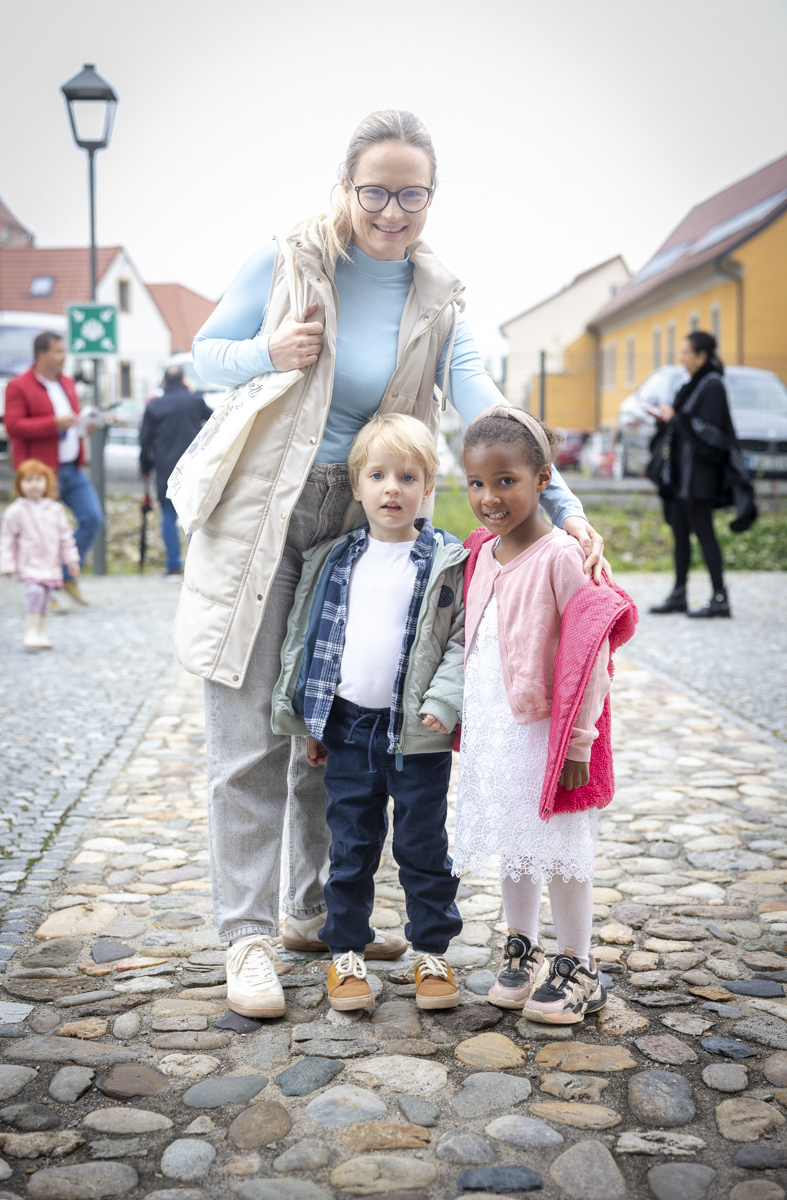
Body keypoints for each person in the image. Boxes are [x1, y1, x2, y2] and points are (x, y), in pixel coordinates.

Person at [177, 108, 608, 1020]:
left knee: (337, 725)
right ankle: (246, 937)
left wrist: (565, 511)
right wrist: (267, 350)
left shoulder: (437, 297)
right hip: (266, 512)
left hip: (369, 510)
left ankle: (306, 911)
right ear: (346, 187)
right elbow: (202, 357)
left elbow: (487, 407)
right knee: (250, 727)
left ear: (430, 197)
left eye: (412, 192)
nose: (392, 209)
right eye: (375, 189)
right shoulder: (292, 260)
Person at [272, 414, 465, 1016]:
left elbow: (463, 640)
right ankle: (346, 953)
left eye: (407, 476)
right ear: (356, 485)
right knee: (351, 844)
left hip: (418, 733)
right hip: (349, 727)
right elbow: (306, 638)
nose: (392, 489)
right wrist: (311, 719)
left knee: (423, 845)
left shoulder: (445, 560)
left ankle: (431, 950)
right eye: (377, 475)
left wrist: (444, 701)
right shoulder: (334, 558)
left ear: (427, 485)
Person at [452, 404, 637, 1025]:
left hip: (545, 733)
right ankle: (522, 947)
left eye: (506, 481)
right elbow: (473, 641)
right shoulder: (484, 553)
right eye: (477, 483)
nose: (489, 497)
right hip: (495, 726)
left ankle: (577, 963)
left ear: (542, 480)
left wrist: (579, 745)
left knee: (561, 848)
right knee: (515, 842)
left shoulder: (561, 556)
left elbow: (591, 655)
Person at [648, 330, 756, 619]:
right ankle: (679, 593)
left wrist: (676, 419)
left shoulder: (712, 386)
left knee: (704, 533)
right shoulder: (693, 384)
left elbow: (711, 435)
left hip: (700, 478)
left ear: (701, 356)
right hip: (682, 476)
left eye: (686, 353)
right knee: (680, 532)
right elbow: (686, 424)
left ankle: (720, 598)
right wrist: (667, 419)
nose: (681, 358)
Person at [4, 332, 102, 605]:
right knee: (40, 533)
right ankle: (45, 590)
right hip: (40, 473)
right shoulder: (18, 386)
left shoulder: (67, 383)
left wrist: (85, 425)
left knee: (93, 518)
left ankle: (64, 576)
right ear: (41, 354)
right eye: (58, 352)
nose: (64, 356)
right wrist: (53, 424)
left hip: (71, 467)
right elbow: (13, 426)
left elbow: (69, 425)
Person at [0, 459, 80, 650]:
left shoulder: (56, 510)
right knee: (34, 593)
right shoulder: (15, 511)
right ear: (19, 484)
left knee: (45, 597)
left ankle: (40, 632)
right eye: (28, 480)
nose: (33, 485)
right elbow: (7, 540)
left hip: (50, 564)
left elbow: (66, 538)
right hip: (30, 563)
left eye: (38, 480)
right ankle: (30, 631)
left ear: (47, 483)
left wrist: (71, 560)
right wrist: (7, 565)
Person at [139, 365, 213, 575]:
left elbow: (144, 442)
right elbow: (215, 420)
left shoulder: (155, 407)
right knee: (194, 515)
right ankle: (195, 566)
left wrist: (145, 468)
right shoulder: (194, 401)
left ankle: (173, 565)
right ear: (183, 381)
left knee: (168, 516)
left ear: (164, 382)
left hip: (165, 470)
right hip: (193, 467)